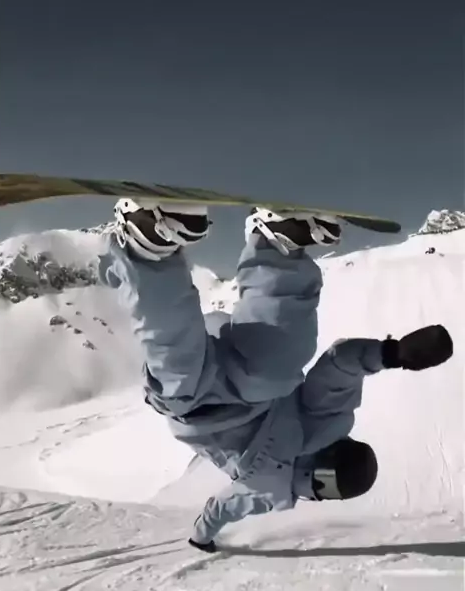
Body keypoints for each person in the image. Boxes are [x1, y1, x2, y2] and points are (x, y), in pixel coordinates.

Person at [99, 199, 454, 552]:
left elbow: (222, 508)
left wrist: (201, 537)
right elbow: (338, 369)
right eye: (329, 485)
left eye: (329, 492)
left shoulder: (269, 491)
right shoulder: (323, 425)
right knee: (282, 364)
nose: (320, 492)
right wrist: (391, 354)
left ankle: (147, 254)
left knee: (181, 372)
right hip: (254, 382)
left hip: (198, 409)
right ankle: (275, 243)